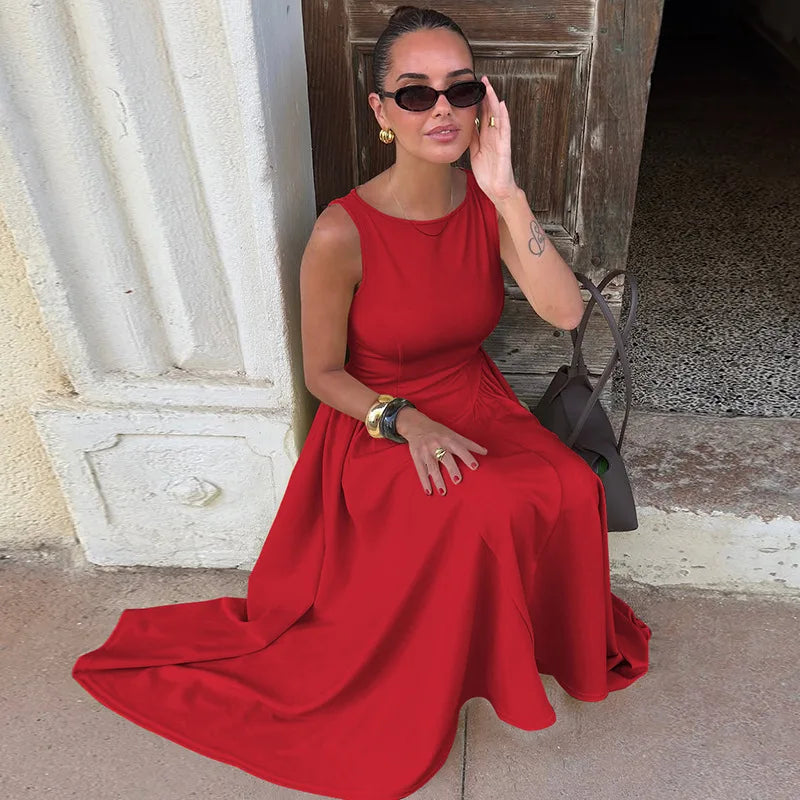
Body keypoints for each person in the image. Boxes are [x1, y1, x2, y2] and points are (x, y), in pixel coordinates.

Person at [72, 6, 652, 799]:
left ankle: (518, 642)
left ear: (483, 100)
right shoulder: (341, 233)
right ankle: (459, 660)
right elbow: (322, 374)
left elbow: (564, 312)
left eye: (459, 89)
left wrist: (509, 191)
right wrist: (402, 420)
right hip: (376, 426)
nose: (440, 109)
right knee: (481, 504)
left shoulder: (486, 203)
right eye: (415, 94)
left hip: (472, 396)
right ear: (381, 112)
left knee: (563, 484)